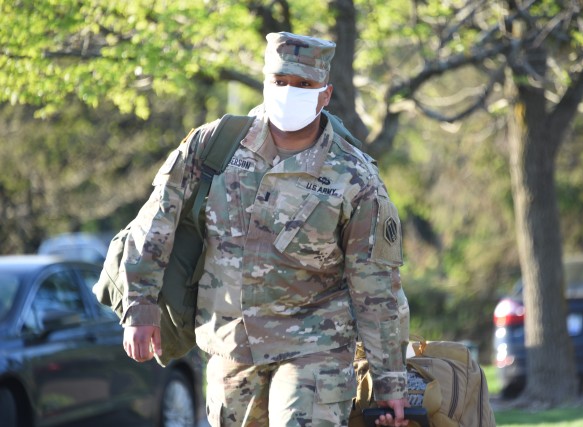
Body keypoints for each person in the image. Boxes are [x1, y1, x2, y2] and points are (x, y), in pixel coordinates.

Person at [121, 31, 410, 427]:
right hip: (230, 344)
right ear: (265, 82)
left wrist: (391, 382)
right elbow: (155, 223)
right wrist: (141, 307)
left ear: (325, 94)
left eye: (304, 85)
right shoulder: (214, 145)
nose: (290, 92)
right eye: (281, 81)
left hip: (316, 346)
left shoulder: (354, 175)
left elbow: (377, 286)